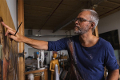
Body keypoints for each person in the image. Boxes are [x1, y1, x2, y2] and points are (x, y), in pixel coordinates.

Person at [0, 9, 119, 80]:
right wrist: (21, 38)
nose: (76, 22)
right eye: (76, 19)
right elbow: (47, 45)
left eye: (81, 20)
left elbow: (114, 70)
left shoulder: (105, 46)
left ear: (92, 25)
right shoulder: (70, 42)